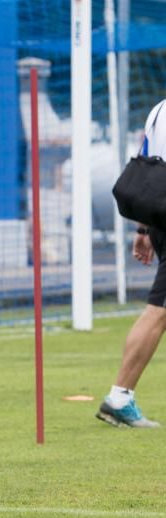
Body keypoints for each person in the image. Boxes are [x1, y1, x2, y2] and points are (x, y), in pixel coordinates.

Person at [97, 99, 166, 428]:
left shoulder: (158, 110)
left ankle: (120, 397)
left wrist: (143, 230)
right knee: (160, 309)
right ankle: (119, 397)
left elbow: (149, 165)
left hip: (158, 219)